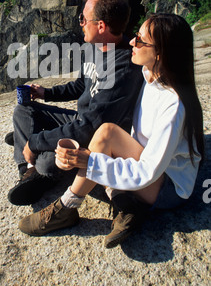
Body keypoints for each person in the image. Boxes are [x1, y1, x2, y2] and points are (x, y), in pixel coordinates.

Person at [18, 13, 205, 248]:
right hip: (151, 167)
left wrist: (90, 160)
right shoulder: (149, 77)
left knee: (103, 137)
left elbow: (148, 170)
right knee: (104, 135)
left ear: (161, 53)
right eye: (135, 36)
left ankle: (66, 207)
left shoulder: (173, 103)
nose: (131, 43)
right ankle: (124, 203)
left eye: (140, 41)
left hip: (167, 186)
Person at [7, 0, 144, 206]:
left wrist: (34, 141)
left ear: (101, 25)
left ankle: (31, 154)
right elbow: (81, 85)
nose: (80, 22)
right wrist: (45, 93)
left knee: (49, 163)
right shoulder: (95, 47)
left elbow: (87, 128)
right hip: (79, 121)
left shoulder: (123, 67)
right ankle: (28, 170)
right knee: (24, 110)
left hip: (95, 137)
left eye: (83, 18)